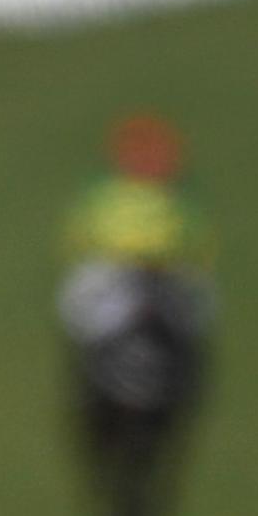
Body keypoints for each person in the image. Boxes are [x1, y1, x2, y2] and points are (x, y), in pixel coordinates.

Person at [57, 112, 214, 362]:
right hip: (114, 275)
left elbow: (198, 249)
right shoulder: (104, 196)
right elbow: (78, 240)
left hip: (167, 275)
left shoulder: (177, 202)